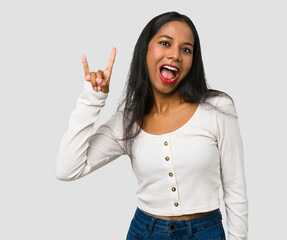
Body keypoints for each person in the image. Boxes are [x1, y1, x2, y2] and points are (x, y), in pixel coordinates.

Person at [55, 11, 248, 240]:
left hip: (206, 232)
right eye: (165, 43)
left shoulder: (217, 108)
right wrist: (92, 99)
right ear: (145, 50)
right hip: (145, 232)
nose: (175, 54)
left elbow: (235, 190)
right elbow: (67, 169)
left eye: (186, 49)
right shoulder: (126, 122)